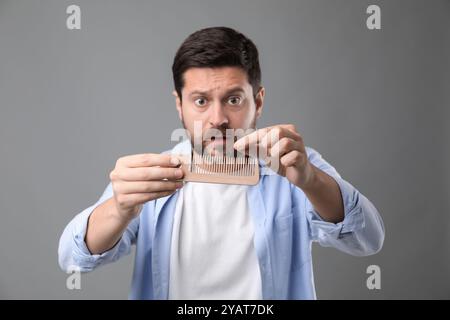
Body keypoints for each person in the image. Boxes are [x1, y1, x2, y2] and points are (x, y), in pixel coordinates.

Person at [58, 26, 385, 299]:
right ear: (180, 105)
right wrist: (119, 208)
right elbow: (72, 259)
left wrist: (311, 180)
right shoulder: (151, 177)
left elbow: (369, 240)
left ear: (257, 102)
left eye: (233, 99)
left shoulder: (296, 166)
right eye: (200, 101)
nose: (217, 119)